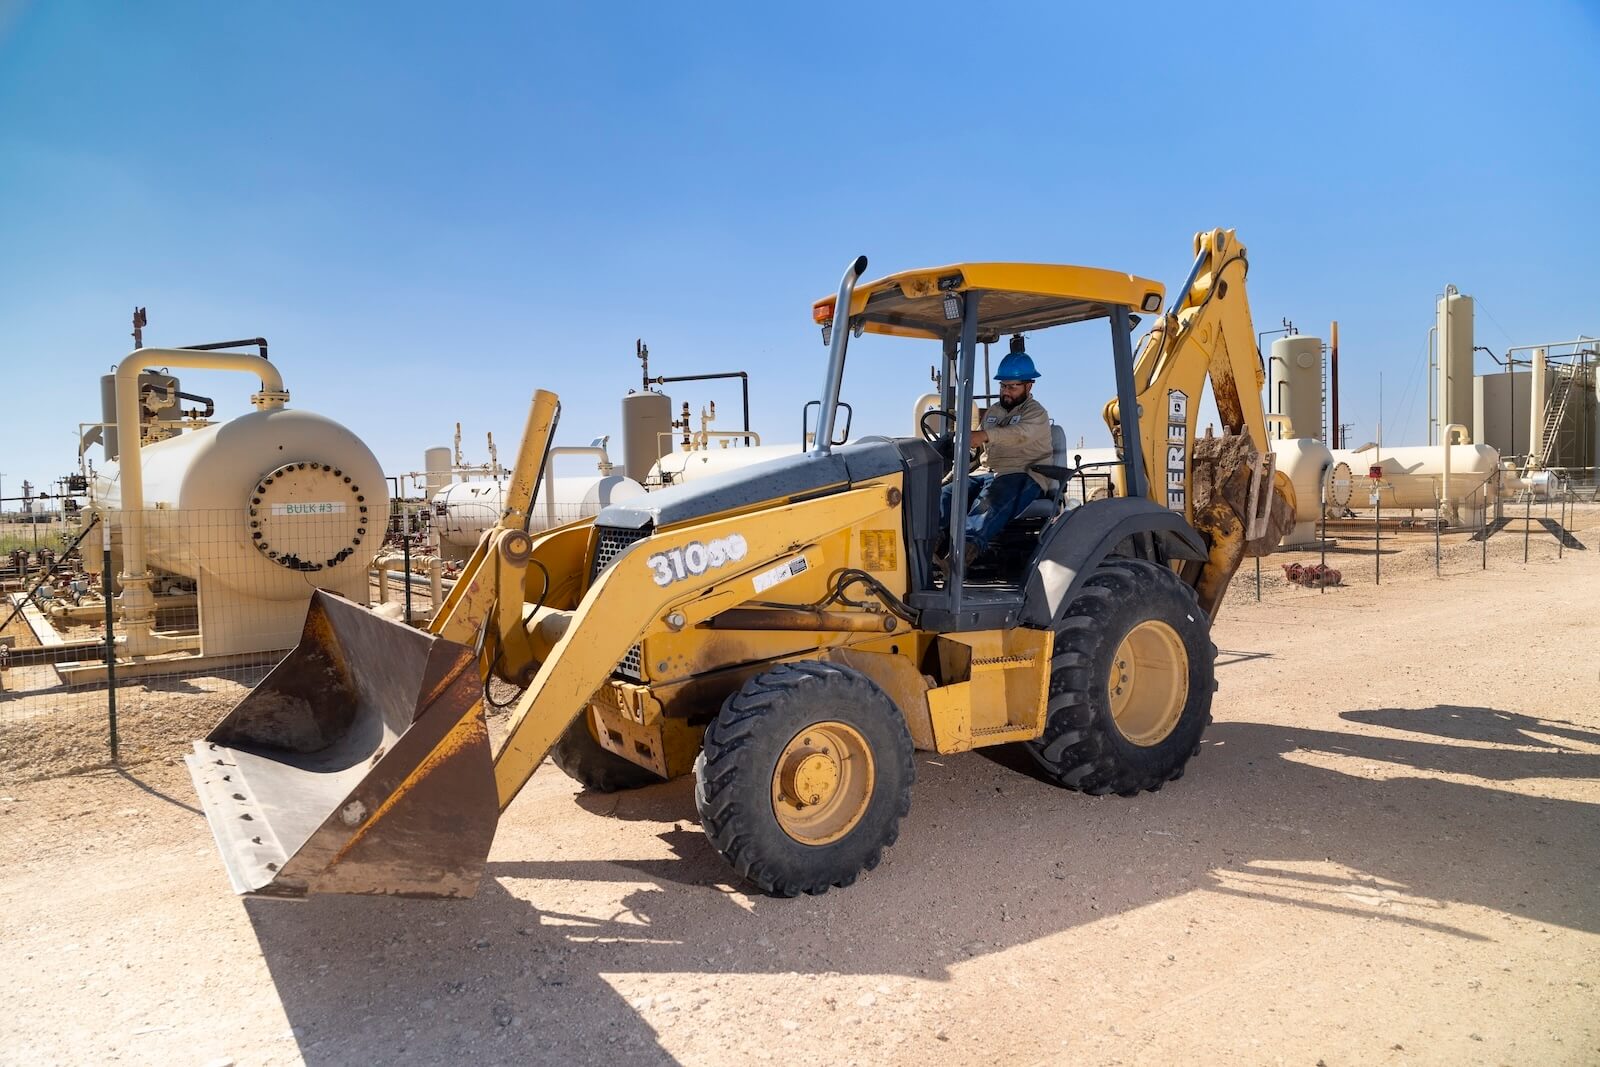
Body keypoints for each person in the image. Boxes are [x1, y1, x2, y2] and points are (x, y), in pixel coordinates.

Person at [939, 337, 1053, 564]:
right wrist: (951, 475)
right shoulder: (994, 411)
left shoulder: (1036, 413)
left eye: (1012, 387)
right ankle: (930, 548)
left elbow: (1018, 434)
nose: (1006, 392)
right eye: (1003, 386)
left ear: (1029, 386)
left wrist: (984, 434)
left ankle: (960, 558)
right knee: (945, 496)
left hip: (1024, 474)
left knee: (989, 501)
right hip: (986, 472)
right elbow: (977, 447)